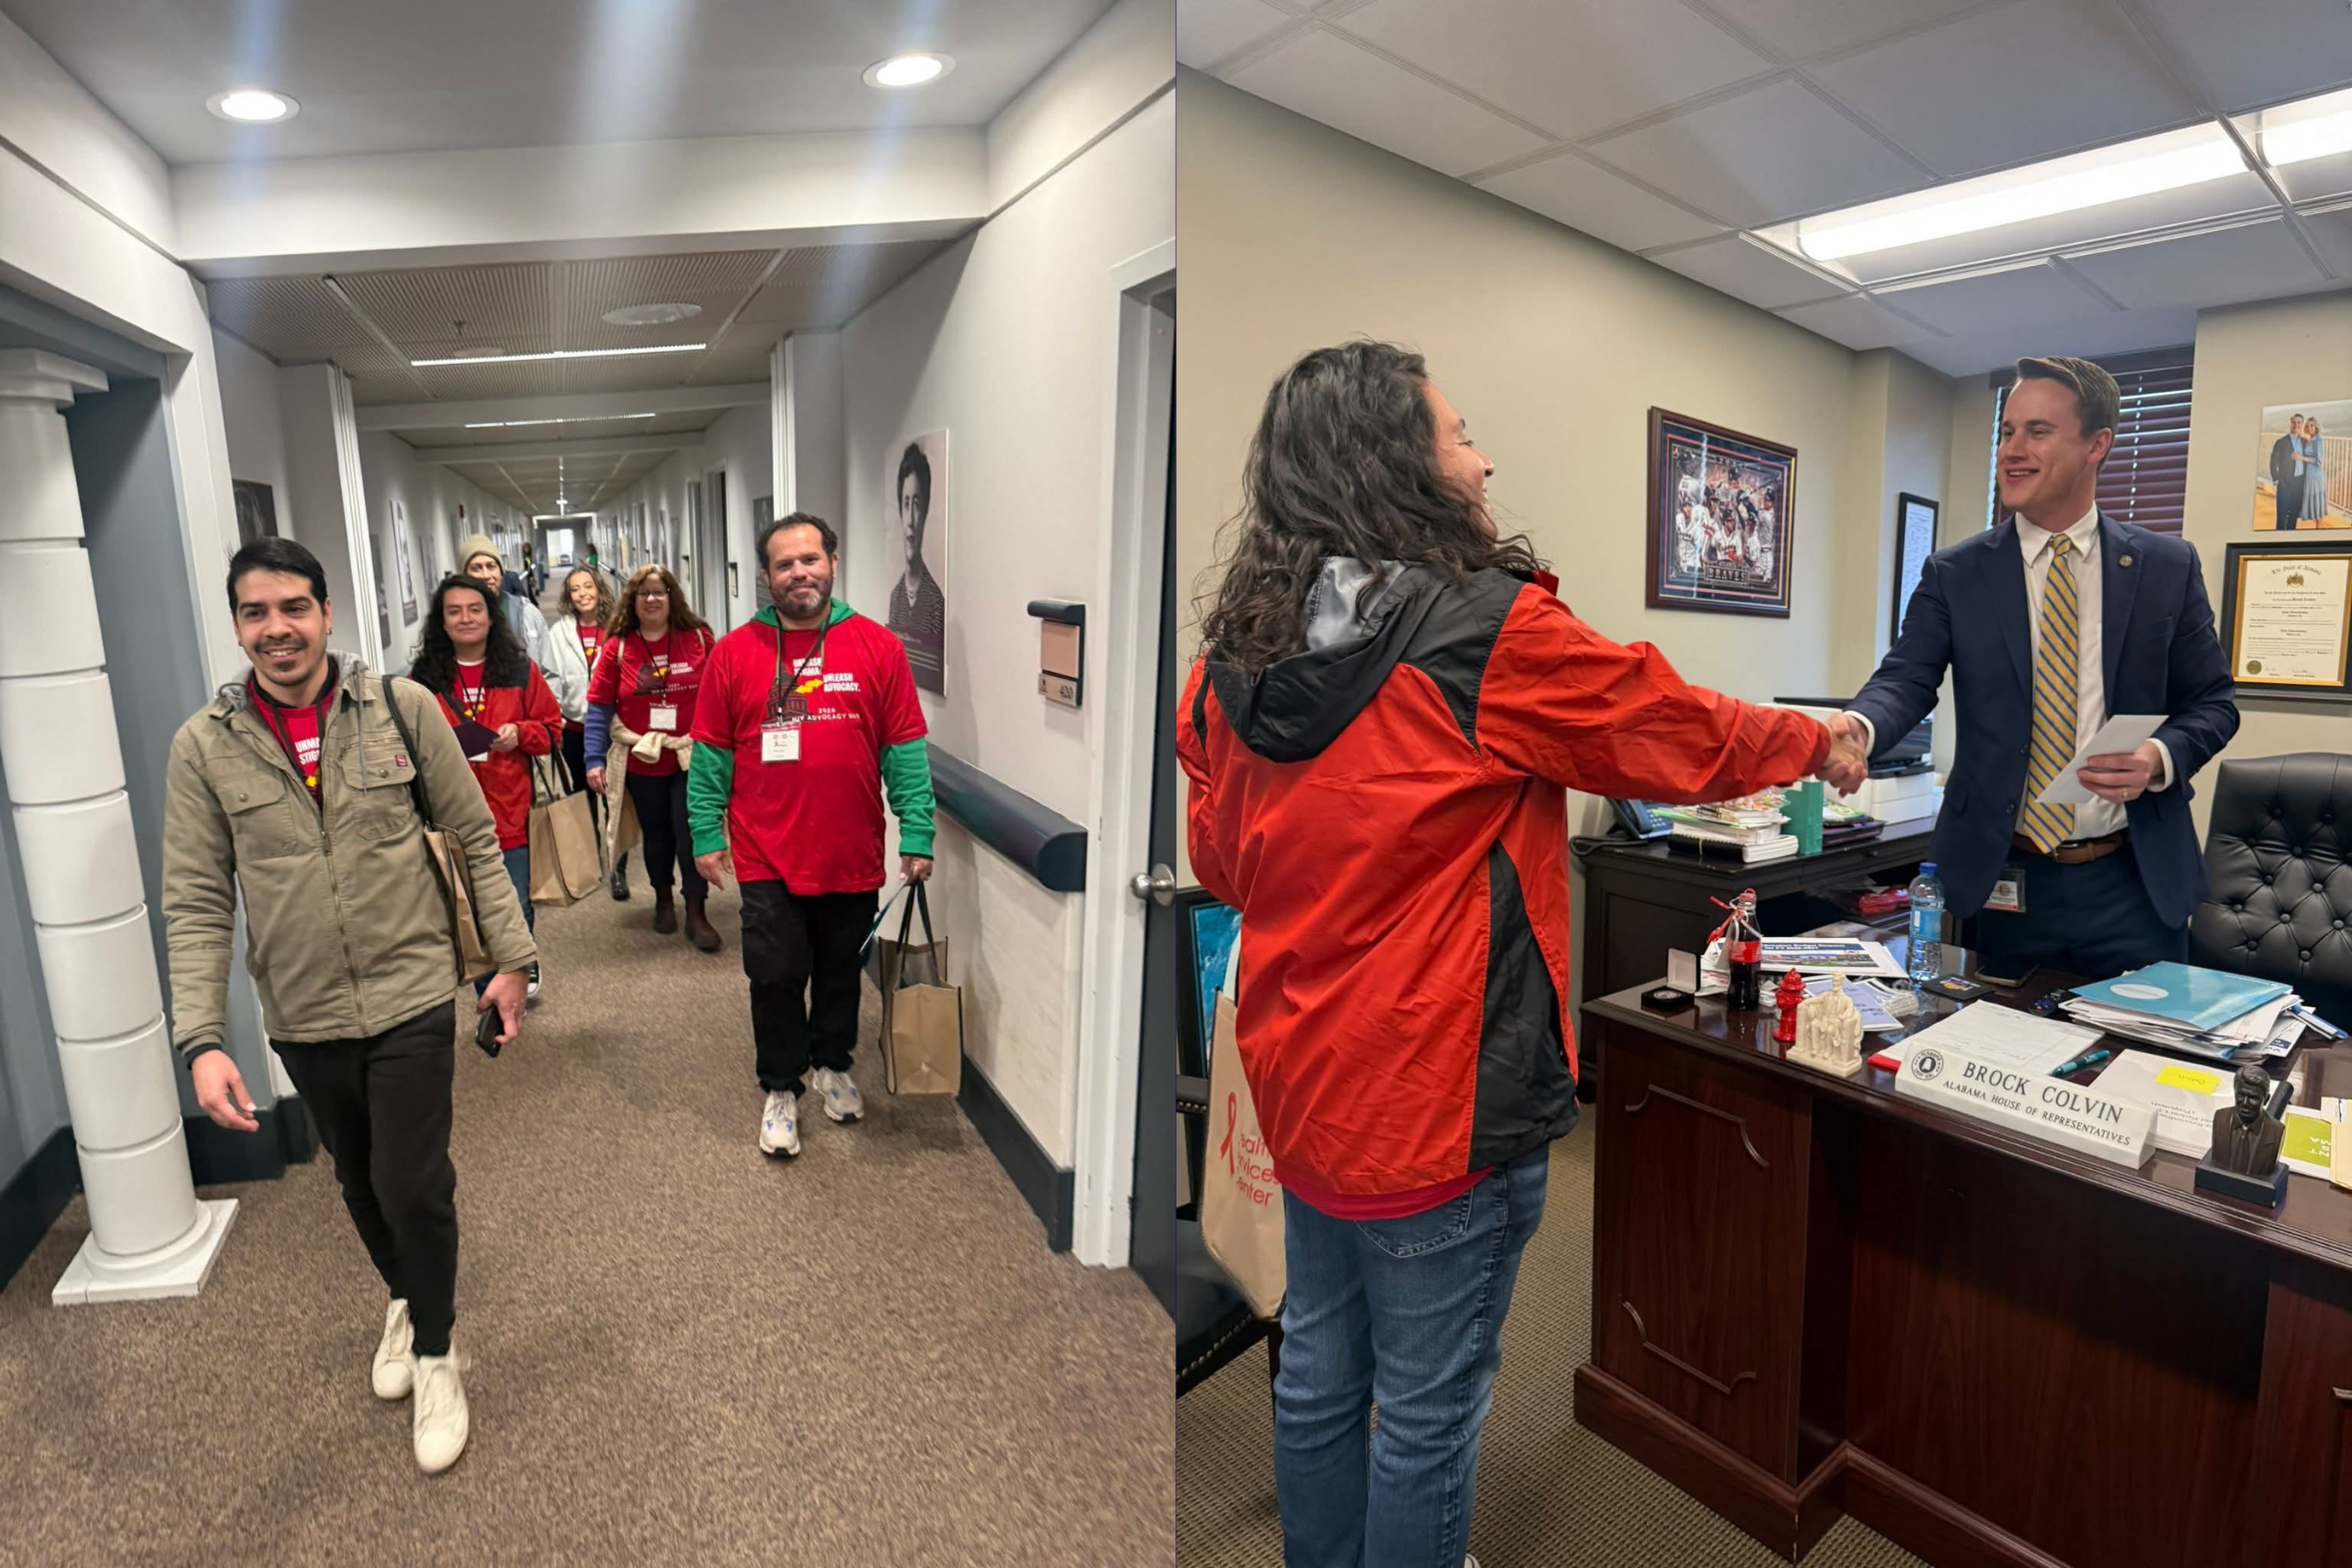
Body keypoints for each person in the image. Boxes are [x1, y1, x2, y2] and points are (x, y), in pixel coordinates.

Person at [1176, 341, 1853, 1568]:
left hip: (1303, 1083)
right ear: (1400, 468)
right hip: (1440, 1099)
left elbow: (1222, 866)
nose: (1482, 456)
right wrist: (1813, 739)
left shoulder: (1231, 660)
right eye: (1459, 432)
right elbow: (1675, 728)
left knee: (1323, 1357)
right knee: (1430, 1406)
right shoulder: (1482, 635)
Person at [162, 537, 531, 1476]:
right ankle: (407, 1296)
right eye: (255, 612)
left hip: (410, 990)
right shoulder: (205, 745)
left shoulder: (402, 710)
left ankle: (440, 1352)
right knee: (360, 1181)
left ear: (328, 613)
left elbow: (474, 837)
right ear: (239, 624)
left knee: (414, 1181)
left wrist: (511, 960)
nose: (277, 629)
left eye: (293, 607)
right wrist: (202, 1037)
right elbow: (198, 898)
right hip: (303, 1007)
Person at [1824, 355, 2239, 978]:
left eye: (2037, 432)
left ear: (2096, 444)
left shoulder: (2165, 567)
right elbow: (1906, 676)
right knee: (1993, 1066)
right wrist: (1861, 727)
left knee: (2136, 1068)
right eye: (2006, 432)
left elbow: (2213, 703)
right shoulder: (1956, 572)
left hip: (2134, 881)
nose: (2013, 450)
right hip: (2003, 880)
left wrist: (2158, 756)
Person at [688, 511, 934, 1158]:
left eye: (809, 559)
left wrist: (918, 832)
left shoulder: (877, 646)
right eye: (784, 563)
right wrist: (704, 832)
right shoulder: (734, 653)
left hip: (849, 849)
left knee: (839, 972)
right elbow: (710, 752)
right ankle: (780, 1084)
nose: (798, 572)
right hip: (765, 849)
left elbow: (903, 748)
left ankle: (832, 1063)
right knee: (773, 974)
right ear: (766, 576)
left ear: (832, 562)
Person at [409, 574, 563, 999]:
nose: (465, 619)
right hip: (450, 816)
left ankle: (516, 968)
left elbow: (553, 730)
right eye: (454, 611)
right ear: (441, 622)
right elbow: (404, 742)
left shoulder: (519, 670)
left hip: (510, 811)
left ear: (491, 618)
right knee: (468, 908)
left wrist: (521, 733)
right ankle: (487, 985)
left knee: (516, 903)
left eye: (475, 610)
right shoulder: (421, 679)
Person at [585, 564, 721, 951]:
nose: (651, 599)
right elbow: (597, 706)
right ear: (632, 599)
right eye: (643, 592)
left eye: (659, 592)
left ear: (672, 596)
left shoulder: (698, 638)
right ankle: (663, 898)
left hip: (690, 755)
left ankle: (696, 910)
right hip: (642, 758)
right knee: (657, 832)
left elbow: (721, 693)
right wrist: (593, 758)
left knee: (691, 830)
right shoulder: (619, 646)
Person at [548, 565, 631, 900]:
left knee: (615, 799)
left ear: (599, 589)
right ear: (568, 596)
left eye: (588, 587)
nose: (582, 594)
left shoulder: (619, 629)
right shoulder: (559, 632)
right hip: (573, 728)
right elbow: (551, 676)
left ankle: (617, 869)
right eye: (575, 589)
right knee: (581, 799)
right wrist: (554, 716)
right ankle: (590, 866)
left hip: (611, 729)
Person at [885, 442, 946, 686]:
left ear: (927, 512)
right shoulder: (895, 597)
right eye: (906, 503)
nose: (910, 520)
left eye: (918, 505)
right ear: (900, 510)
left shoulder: (936, 603)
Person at [460, 534, 559, 682]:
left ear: (501, 572)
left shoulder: (527, 613)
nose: (486, 575)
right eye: (476, 568)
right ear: (465, 575)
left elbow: (548, 674)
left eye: (491, 566)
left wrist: (549, 705)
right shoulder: (453, 620)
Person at [2269, 415, 2305, 530]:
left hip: (2299, 484)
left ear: (2302, 424)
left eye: (2299, 422)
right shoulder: (2281, 442)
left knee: (2293, 517)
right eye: (2294, 422)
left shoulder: (2305, 442)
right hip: (2284, 484)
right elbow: (2273, 462)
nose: (2296, 425)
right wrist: (2277, 480)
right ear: (2290, 423)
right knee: (2281, 517)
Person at [2303, 417, 2330, 524]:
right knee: (2314, 504)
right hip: (2309, 475)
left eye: (2312, 425)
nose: (2310, 428)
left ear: (2316, 426)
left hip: (2315, 475)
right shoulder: (2310, 439)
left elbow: (2319, 461)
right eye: (2308, 426)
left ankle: (2319, 531)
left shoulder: (2319, 439)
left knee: (2317, 504)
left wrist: (2303, 458)